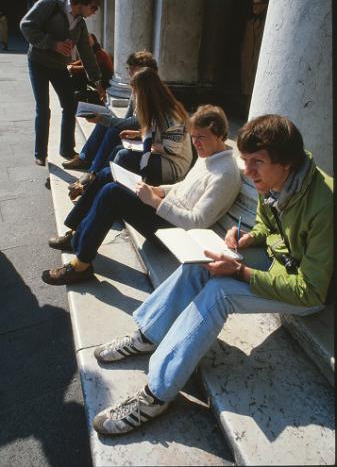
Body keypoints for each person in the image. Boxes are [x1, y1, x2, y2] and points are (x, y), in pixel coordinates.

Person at [89, 114, 333, 436]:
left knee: (220, 293)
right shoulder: (271, 180)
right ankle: (148, 334)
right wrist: (248, 238)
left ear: (286, 162)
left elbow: (312, 290)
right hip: (281, 261)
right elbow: (268, 227)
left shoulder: (325, 203)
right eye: (245, 160)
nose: (248, 171)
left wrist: (243, 272)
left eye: (256, 162)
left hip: (311, 290)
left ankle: (156, 394)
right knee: (200, 262)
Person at [42, 105, 241, 286]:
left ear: (220, 135)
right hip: (165, 212)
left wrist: (154, 201)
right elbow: (183, 186)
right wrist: (158, 190)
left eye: (201, 137)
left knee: (112, 193)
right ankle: (77, 232)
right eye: (193, 137)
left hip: (174, 232)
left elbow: (196, 222)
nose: (196, 143)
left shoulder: (224, 174)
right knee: (107, 174)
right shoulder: (210, 155)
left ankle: (81, 265)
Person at [20, 0, 106, 166]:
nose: (94, 12)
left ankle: (66, 149)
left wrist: (98, 81)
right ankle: (40, 153)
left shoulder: (80, 24)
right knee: (43, 107)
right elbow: (26, 25)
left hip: (59, 66)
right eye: (94, 6)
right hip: (38, 62)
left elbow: (87, 53)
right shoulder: (50, 4)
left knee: (69, 104)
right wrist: (54, 44)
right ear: (83, 0)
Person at [63, 50, 158, 180]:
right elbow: (128, 117)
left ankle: (93, 173)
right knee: (105, 125)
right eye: (128, 68)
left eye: (132, 69)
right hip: (140, 129)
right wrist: (106, 120)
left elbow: (137, 122)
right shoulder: (137, 86)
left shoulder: (149, 91)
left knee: (111, 128)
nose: (129, 72)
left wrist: (106, 120)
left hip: (147, 134)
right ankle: (85, 158)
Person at [241, 0, 268, 116]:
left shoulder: (266, 23)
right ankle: (247, 113)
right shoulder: (250, 22)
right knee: (247, 88)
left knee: (255, 88)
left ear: (264, 5)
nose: (255, 7)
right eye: (254, 4)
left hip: (259, 59)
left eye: (258, 4)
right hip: (248, 59)